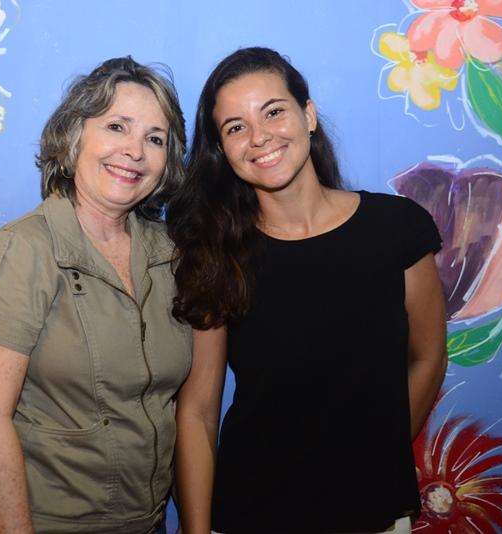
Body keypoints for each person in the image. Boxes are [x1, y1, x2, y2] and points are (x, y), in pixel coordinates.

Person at [168, 47, 447, 534]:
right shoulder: (217, 254)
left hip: (375, 514)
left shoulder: (397, 227)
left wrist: (375, 458)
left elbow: (429, 357)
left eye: (273, 111)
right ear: (223, 150)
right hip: (251, 514)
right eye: (235, 127)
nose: (259, 137)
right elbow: (197, 413)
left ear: (309, 115)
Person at [0, 57, 190, 534]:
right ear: (73, 136)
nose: (135, 151)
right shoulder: (23, 250)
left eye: (155, 139)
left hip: (145, 522)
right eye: (117, 126)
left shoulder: (171, 255)